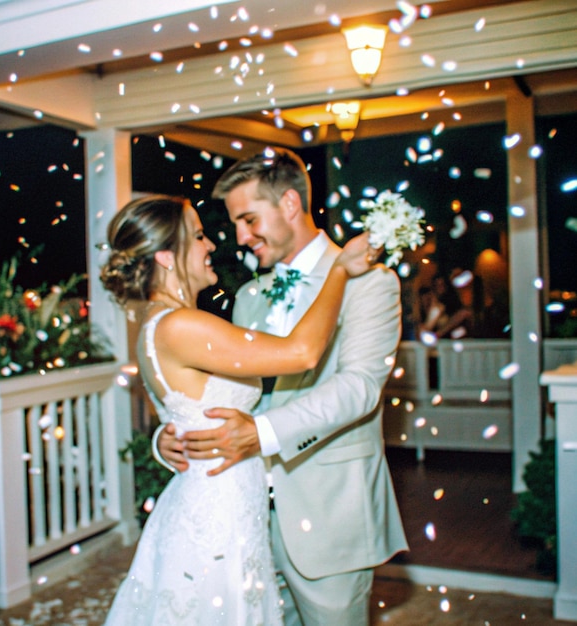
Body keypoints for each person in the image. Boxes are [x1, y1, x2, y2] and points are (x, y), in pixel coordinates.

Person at [100, 194, 379, 625]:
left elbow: (186, 409)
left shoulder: (160, 323)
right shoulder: (181, 326)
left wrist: (165, 438)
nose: (211, 245)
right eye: (197, 236)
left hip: (216, 500)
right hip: (218, 514)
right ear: (165, 256)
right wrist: (340, 271)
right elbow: (303, 353)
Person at [157, 148, 408, 625]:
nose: (239, 237)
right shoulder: (249, 296)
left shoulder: (369, 283)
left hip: (329, 512)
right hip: (244, 515)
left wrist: (261, 433)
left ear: (290, 204)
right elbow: (225, 390)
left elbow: (358, 388)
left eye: (249, 219)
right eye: (234, 223)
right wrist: (172, 435)